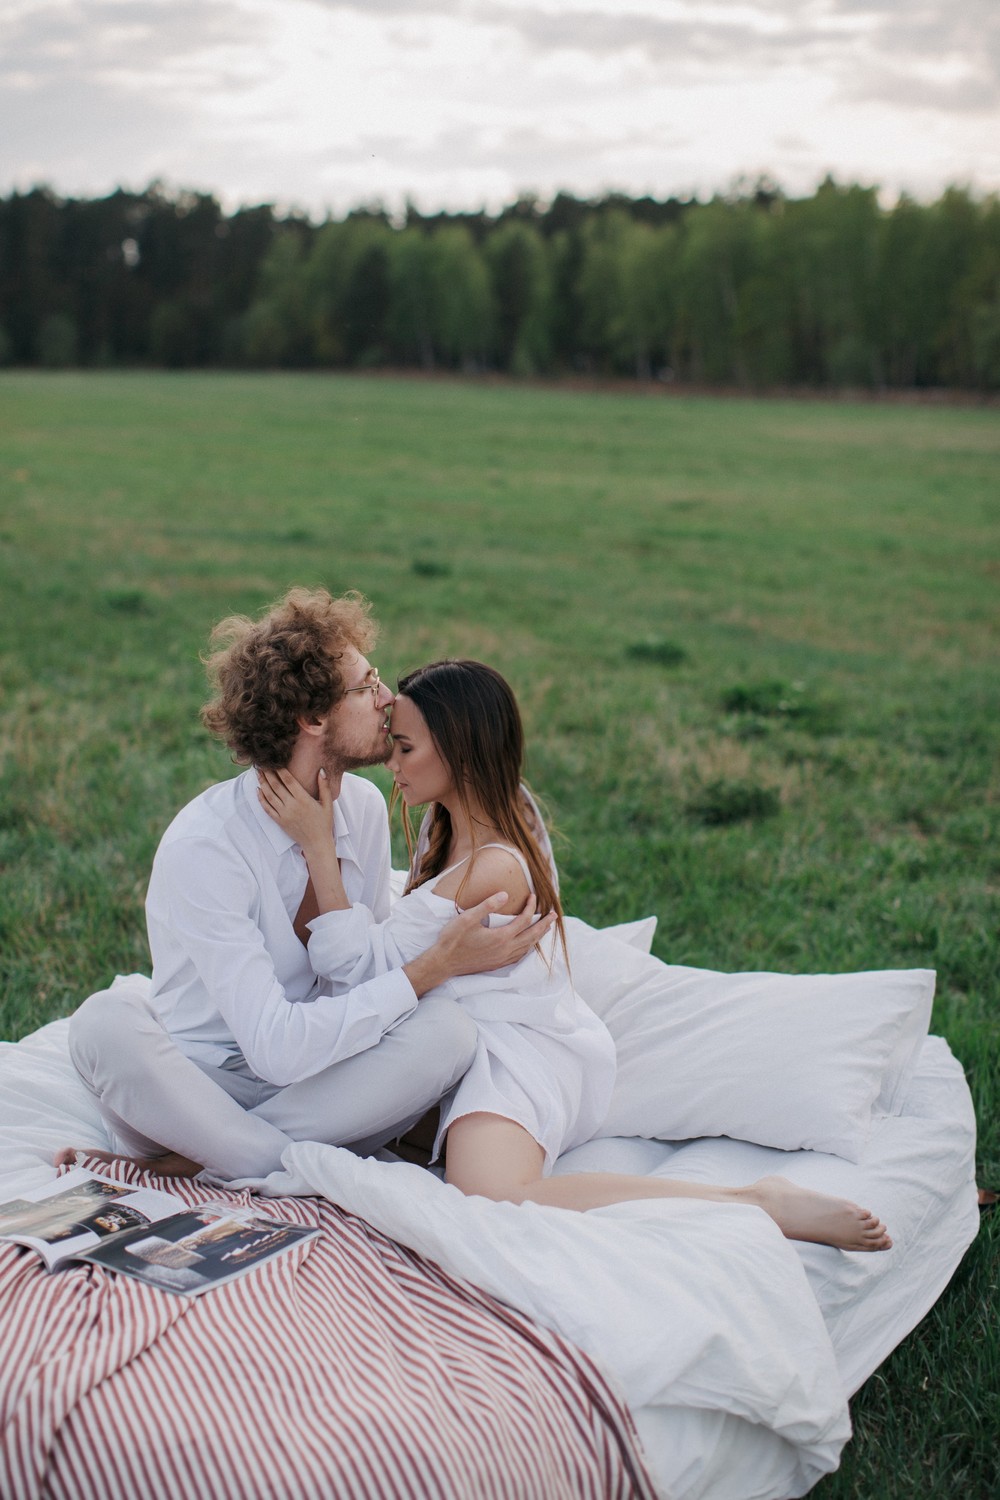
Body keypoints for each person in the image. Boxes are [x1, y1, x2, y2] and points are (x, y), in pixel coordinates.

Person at [258, 657, 893, 1253]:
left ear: (460, 750)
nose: (391, 766)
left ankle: (753, 1200)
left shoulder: (494, 867)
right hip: (458, 1032)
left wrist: (319, 842)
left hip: (515, 1049)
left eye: (405, 749)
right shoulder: (453, 828)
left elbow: (360, 967)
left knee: (494, 1196)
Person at [64, 589, 554, 1182]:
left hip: (326, 1081)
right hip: (201, 1090)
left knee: (449, 1034)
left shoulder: (365, 808)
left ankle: (207, 1164)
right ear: (314, 717)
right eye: (368, 685)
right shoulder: (208, 845)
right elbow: (272, 1047)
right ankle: (250, 1155)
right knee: (102, 1023)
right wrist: (433, 967)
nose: (389, 702)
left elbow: (363, 974)